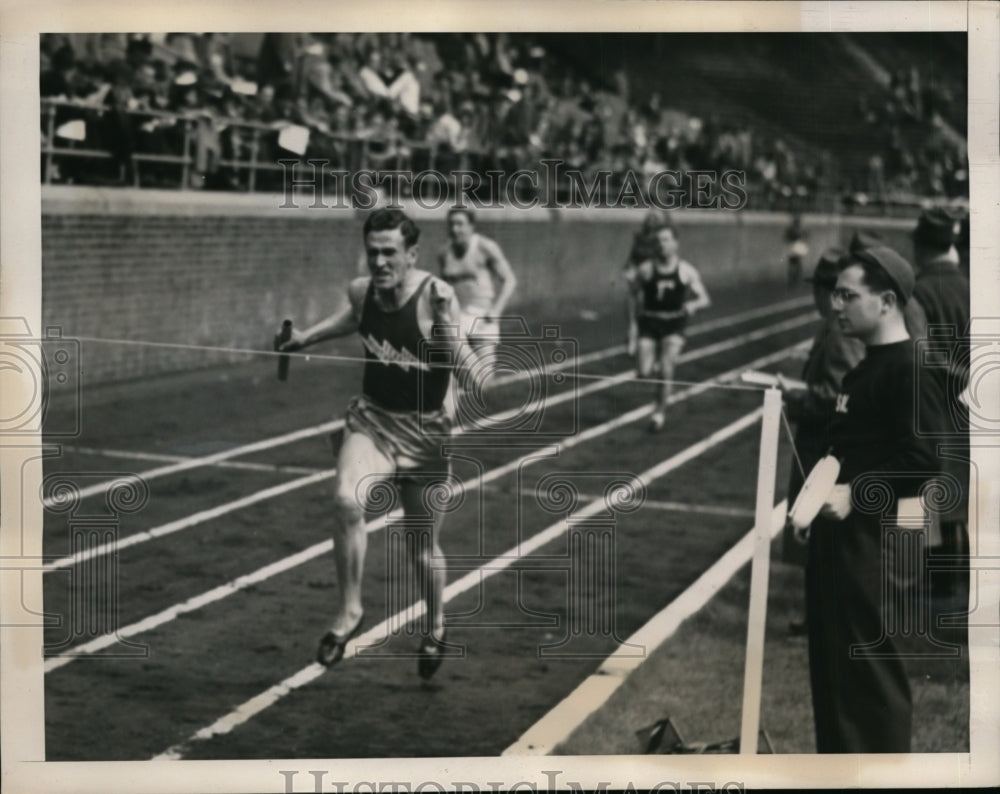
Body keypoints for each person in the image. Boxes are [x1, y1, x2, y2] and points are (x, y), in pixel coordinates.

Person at [279, 208, 473, 679]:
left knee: (422, 547)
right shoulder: (362, 290)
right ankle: (349, 611)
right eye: (373, 252)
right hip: (375, 421)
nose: (381, 261)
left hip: (426, 435)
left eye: (390, 253)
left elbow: (470, 371)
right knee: (347, 501)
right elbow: (353, 318)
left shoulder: (435, 298)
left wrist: (446, 320)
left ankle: (436, 625)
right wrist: (308, 337)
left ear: (412, 255)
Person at [807, 245, 947, 752]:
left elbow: (923, 460)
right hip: (840, 542)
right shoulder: (866, 368)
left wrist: (855, 495)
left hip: (872, 544)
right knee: (835, 675)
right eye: (836, 295)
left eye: (849, 295)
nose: (836, 305)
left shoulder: (908, 367)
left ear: (886, 301)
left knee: (867, 677)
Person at [778, 249, 865, 632]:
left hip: (824, 449)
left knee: (821, 538)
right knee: (819, 541)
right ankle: (820, 616)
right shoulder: (833, 328)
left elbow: (838, 393)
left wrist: (797, 396)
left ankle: (823, 618)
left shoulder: (837, 331)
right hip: (824, 446)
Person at [911, 207, 970, 603]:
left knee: (929, 489)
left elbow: (918, 354)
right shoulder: (972, 286)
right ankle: (958, 573)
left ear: (920, 247)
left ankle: (939, 578)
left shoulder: (918, 291)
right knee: (963, 485)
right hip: (973, 403)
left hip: (933, 401)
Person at [626, 219, 711, 433]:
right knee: (644, 372)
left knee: (666, 370)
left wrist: (693, 304)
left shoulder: (686, 271)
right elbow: (632, 296)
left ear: (675, 244)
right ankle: (653, 362)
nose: (661, 245)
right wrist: (633, 330)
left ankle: (659, 414)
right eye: (658, 241)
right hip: (650, 322)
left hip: (673, 324)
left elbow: (704, 298)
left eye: (665, 240)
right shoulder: (646, 270)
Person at [438, 207, 518, 362]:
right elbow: (444, 287)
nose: (455, 229)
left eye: (460, 224)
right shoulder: (444, 252)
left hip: (482, 317)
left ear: (471, 226)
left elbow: (510, 280)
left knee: (485, 377)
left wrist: (496, 311)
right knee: (456, 375)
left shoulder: (485, 247)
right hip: (456, 317)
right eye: (451, 224)